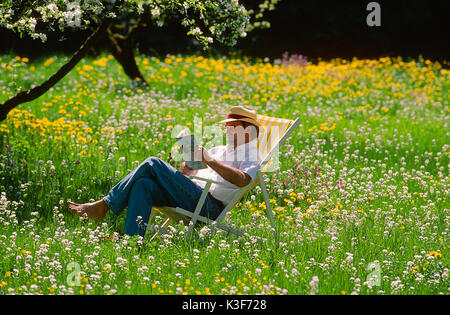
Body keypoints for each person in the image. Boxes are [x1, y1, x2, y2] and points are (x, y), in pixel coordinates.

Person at [68, 106, 262, 236]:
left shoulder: (252, 153)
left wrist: (208, 159)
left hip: (208, 206)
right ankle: (132, 241)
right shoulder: (219, 150)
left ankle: (104, 205)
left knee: (153, 162)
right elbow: (193, 173)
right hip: (191, 195)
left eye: (233, 127)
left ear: (249, 130)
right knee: (143, 184)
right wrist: (185, 168)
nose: (227, 130)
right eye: (226, 127)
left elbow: (243, 180)